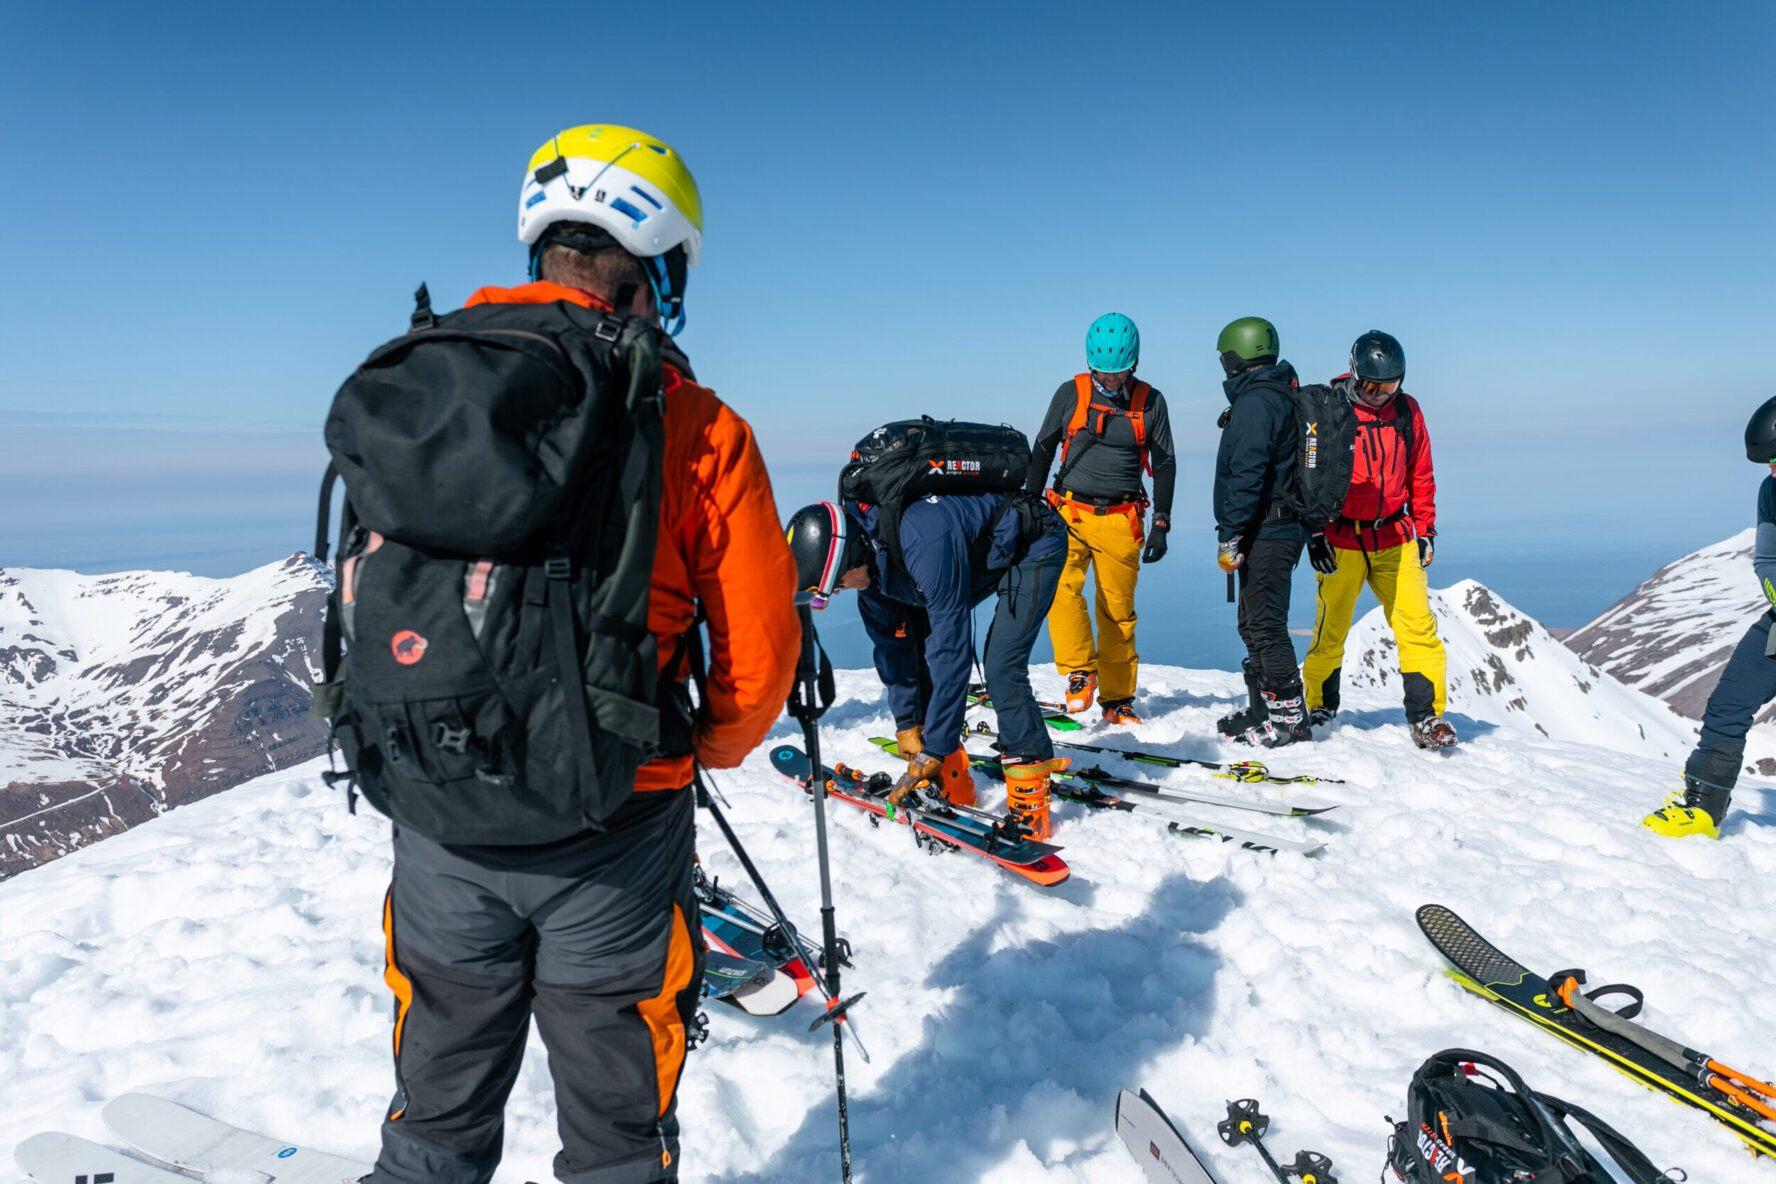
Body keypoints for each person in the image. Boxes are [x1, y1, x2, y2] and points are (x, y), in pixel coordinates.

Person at [363, 125, 800, 1184]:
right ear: (660, 265)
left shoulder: (427, 388)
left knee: (436, 1104)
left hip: (439, 803)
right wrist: (702, 748)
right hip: (617, 817)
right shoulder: (697, 425)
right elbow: (757, 656)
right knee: (615, 1121)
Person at [785, 488, 1070, 837]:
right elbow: (893, 648)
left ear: (853, 556)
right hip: (974, 557)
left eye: (837, 582)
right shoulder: (872, 576)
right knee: (913, 642)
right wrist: (909, 723)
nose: (840, 591)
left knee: (1001, 666)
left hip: (1033, 542)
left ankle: (1030, 791)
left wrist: (934, 747)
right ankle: (952, 778)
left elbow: (951, 650)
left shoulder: (924, 540)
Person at [1299, 330, 1457, 749]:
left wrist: (1426, 530)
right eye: (1372, 387)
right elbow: (1308, 476)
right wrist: (1314, 533)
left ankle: (1427, 718)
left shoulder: (1406, 411)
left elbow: (1421, 472)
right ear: (1354, 374)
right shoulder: (1330, 410)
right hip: (1342, 539)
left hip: (1395, 537)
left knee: (1417, 626)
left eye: (1390, 387)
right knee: (1331, 629)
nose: (1381, 396)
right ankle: (1320, 707)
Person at [1025, 312, 1177, 725]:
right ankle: (1080, 671)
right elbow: (1043, 449)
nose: (1110, 380)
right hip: (1068, 512)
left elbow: (1165, 463)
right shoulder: (1071, 393)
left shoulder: (1151, 402)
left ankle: (1117, 700)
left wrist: (1161, 521)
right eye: (1103, 372)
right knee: (1059, 590)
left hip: (1121, 518)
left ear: (1134, 364)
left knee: (1117, 612)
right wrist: (1030, 504)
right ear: (1090, 364)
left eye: (1119, 372)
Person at [1643, 395, 1776, 838]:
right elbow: (1768, 560)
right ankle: (1702, 810)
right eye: (1768, 463)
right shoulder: (1772, 491)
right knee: (1728, 705)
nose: (1772, 471)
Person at [1211, 316, 1310, 747]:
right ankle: (1263, 709)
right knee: (1251, 623)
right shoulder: (1275, 394)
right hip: (1271, 526)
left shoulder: (1256, 402)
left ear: (1236, 357)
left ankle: (1290, 721)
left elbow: (1248, 474)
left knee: (1267, 626)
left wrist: (1230, 533)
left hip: (1269, 528)